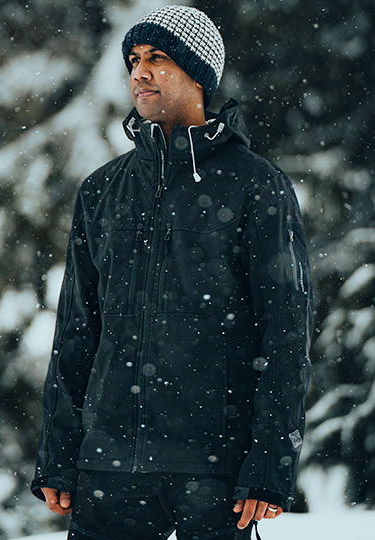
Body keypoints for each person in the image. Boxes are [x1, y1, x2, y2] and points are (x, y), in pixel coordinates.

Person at [30, 5, 314, 540]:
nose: (139, 72)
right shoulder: (102, 190)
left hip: (215, 470)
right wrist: (59, 453)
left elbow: (285, 333)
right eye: (133, 60)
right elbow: (76, 332)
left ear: (198, 74)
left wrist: (268, 465)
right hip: (109, 469)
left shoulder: (256, 185)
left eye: (156, 58)